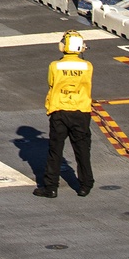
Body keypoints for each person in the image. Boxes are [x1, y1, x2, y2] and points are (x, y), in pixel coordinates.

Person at [34, 31, 94, 198]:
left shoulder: (55, 66)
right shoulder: (87, 66)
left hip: (59, 111)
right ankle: (85, 185)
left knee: (55, 150)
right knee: (82, 149)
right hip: (81, 112)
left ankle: (51, 187)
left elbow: (51, 83)